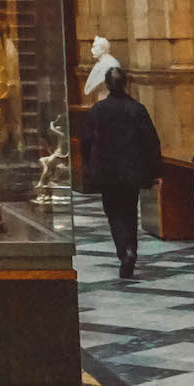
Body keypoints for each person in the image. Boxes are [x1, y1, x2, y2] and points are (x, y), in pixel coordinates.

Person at [81, 67, 161, 277]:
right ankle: (130, 249)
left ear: (107, 85)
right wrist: (154, 170)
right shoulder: (137, 109)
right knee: (129, 211)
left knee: (114, 212)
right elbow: (151, 141)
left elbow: (86, 141)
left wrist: (90, 165)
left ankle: (123, 250)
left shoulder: (97, 110)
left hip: (107, 172)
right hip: (131, 171)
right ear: (126, 84)